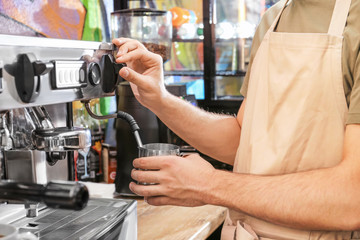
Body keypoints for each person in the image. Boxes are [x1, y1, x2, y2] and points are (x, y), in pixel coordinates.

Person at [112, 0, 360, 238]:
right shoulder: (273, 19)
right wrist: (159, 99)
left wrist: (208, 184)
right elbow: (244, 141)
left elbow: (351, 198)